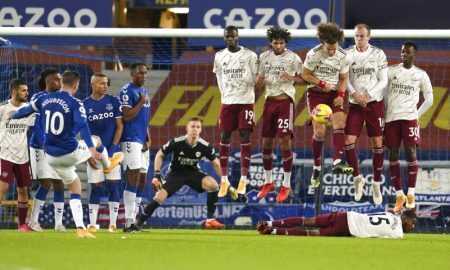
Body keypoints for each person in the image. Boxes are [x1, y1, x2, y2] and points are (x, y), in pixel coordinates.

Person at [13, 70, 123, 238]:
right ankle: (108, 165)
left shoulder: (43, 99)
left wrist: (13, 115)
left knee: (75, 186)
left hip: (51, 156)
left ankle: (80, 228)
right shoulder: (75, 102)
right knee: (97, 140)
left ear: (62, 82)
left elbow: (26, 111)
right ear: (76, 85)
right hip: (69, 152)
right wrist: (91, 149)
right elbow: (83, 125)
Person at [137, 118, 228, 230]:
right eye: (192, 126)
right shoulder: (177, 142)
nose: (195, 129)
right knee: (159, 197)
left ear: (200, 130)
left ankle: (210, 221)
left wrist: (224, 181)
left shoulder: (205, 146)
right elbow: (159, 154)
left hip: (193, 172)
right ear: (187, 128)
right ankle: (138, 224)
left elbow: (216, 164)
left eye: (198, 127)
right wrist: (157, 174)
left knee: (213, 185)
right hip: (176, 174)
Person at [301, 22, 353, 188]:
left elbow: (344, 78)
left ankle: (337, 161)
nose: (331, 52)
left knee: (339, 123)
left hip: (334, 95)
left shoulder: (343, 56)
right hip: (316, 94)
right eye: (328, 49)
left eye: (334, 48)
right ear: (322, 43)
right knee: (320, 131)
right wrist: (321, 83)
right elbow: (305, 75)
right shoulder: (313, 54)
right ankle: (317, 168)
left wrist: (340, 95)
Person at [255, 26, 303, 202]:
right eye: (276, 43)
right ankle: (268, 182)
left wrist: (291, 78)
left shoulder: (293, 58)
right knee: (266, 142)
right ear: (271, 43)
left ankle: (286, 184)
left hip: (285, 102)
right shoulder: (264, 58)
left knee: (284, 141)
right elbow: (258, 84)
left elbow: (305, 78)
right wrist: (258, 82)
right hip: (269, 102)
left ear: (285, 43)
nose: (279, 45)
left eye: (281, 43)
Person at [384, 41, 433, 212]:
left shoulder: (421, 75)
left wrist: (416, 116)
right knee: (393, 155)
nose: (404, 54)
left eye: (408, 52)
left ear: (415, 54)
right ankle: (399, 195)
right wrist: (386, 111)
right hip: (391, 119)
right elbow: (383, 94)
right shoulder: (390, 71)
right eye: (403, 52)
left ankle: (411, 193)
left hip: (410, 119)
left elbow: (430, 100)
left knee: (411, 153)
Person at [344, 24, 388, 205]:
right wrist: (354, 94)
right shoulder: (347, 54)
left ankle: (376, 183)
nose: (359, 39)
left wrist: (368, 94)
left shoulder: (378, 54)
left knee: (377, 143)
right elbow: (344, 79)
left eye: (362, 36)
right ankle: (357, 178)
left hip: (373, 104)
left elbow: (383, 80)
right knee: (347, 141)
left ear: (369, 37)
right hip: (355, 104)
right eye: (356, 36)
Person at [213, 25, 258, 197]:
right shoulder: (219, 56)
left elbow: (255, 78)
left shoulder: (249, 55)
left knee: (245, 136)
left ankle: (243, 180)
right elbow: (219, 76)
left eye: (232, 36)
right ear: (224, 37)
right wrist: (224, 95)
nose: (230, 38)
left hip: (246, 102)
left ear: (237, 36)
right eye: (227, 36)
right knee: (224, 137)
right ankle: (224, 180)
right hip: (228, 102)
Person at [27, 68, 68, 233]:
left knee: (59, 183)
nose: (60, 82)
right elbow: (36, 124)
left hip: (57, 147)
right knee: (45, 183)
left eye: (61, 79)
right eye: (56, 79)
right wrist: (45, 143)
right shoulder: (38, 98)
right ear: (47, 81)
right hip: (40, 147)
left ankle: (58, 224)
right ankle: (33, 221)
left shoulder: (63, 99)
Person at [83, 73, 123, 233]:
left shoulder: (113, 101)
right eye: (101, 83)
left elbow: (120, 126)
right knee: (96, 187)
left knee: (114, 186)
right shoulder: (84, 105)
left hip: (112, 152)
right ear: (93, 85)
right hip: (94, 154)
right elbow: (82, 131)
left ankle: (113, 225)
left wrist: (113, 147)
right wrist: (88, 154)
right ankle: (93, 224)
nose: (105, 86)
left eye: (106, 83)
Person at [119, 63, 151, 232]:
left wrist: (148, 137)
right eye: (140, 73)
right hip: (130, 139)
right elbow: (127, 115)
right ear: (132, 74)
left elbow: (144, 118)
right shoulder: (127, 91)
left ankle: (135, 222)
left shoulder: (145, 92)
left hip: (141, 140)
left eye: (145, 73)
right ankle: (128, 222)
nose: (144, 76)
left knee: (142, 180)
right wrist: (140, 102)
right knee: (132, 179)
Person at [0, 78, 34, 231]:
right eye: (23, 90)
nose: (27, 93)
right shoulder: (2, 108)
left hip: (22, 156)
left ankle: (21, 225)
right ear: (14, 91)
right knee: (2, 188)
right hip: (5, 154)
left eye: (27, 90)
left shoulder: (29, 109)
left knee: (23, 190)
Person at [257, 210, 417, 238]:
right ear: (404, 218)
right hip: (349, 228)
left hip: (346, 215)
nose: (413, 226)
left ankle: (269, 223)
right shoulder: (398, 234)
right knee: (310, 233)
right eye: (413, 222)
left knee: (309, 221)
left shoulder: (389, 214)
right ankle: (271, 232)